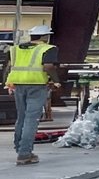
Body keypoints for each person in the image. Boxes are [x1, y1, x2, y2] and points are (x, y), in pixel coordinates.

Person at [4, 25, 62, 166]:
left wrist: (6, 83)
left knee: (22, 117)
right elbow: (48, 67)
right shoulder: (48, 48)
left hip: (18, 85)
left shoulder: (16, 49)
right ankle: (25, 154)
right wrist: (56, 82)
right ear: (45, 37)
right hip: (36, 86)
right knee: (31, 119)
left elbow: (8, 67)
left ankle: (20, 149)